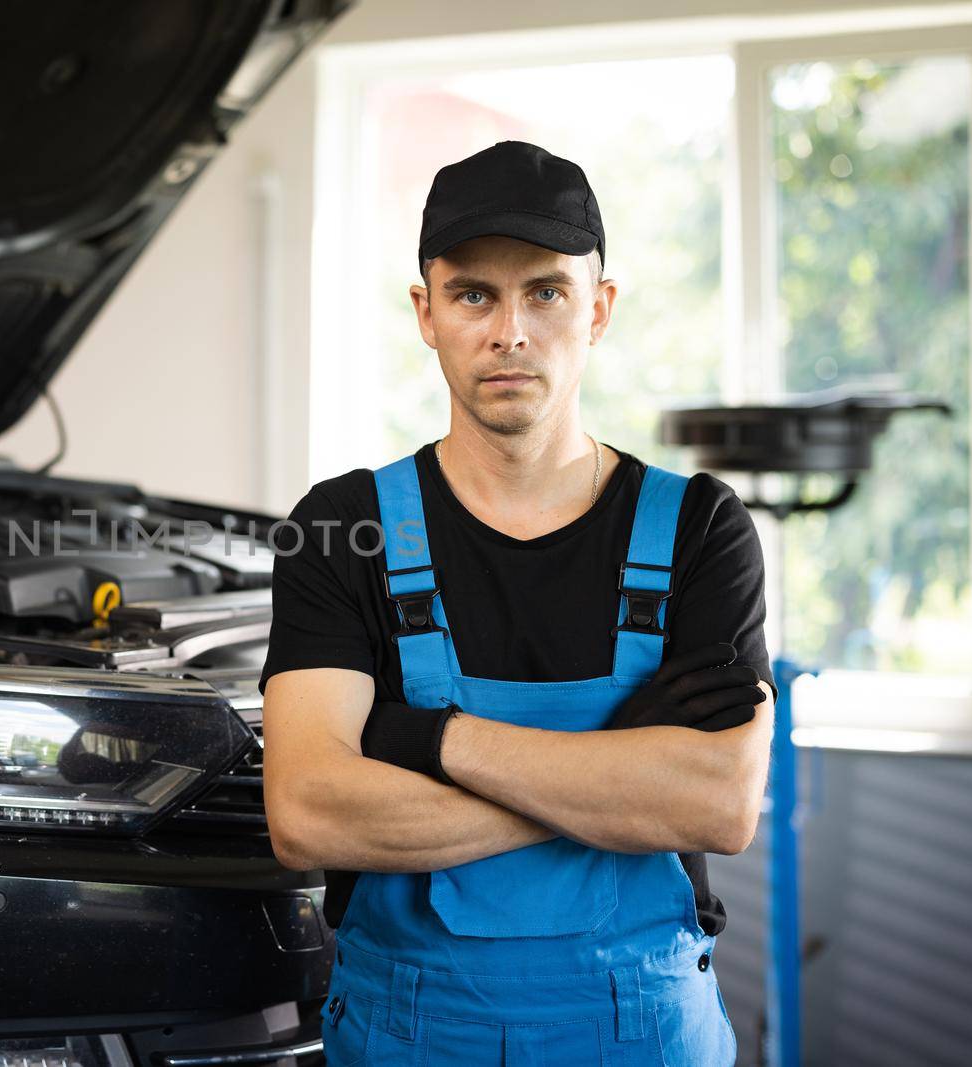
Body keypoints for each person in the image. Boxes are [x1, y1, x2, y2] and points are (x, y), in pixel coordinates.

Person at [260, 140, 775, 1065]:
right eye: (473, 295)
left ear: (599, 308)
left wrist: (426, 740)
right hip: (407, 1032)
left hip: (644, 1032)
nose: (511, 331)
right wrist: (619, 774)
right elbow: (307, 812)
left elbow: (722, 806)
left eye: (545, 291)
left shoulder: (700, 527)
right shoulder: (342, 527)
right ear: (426, 311)